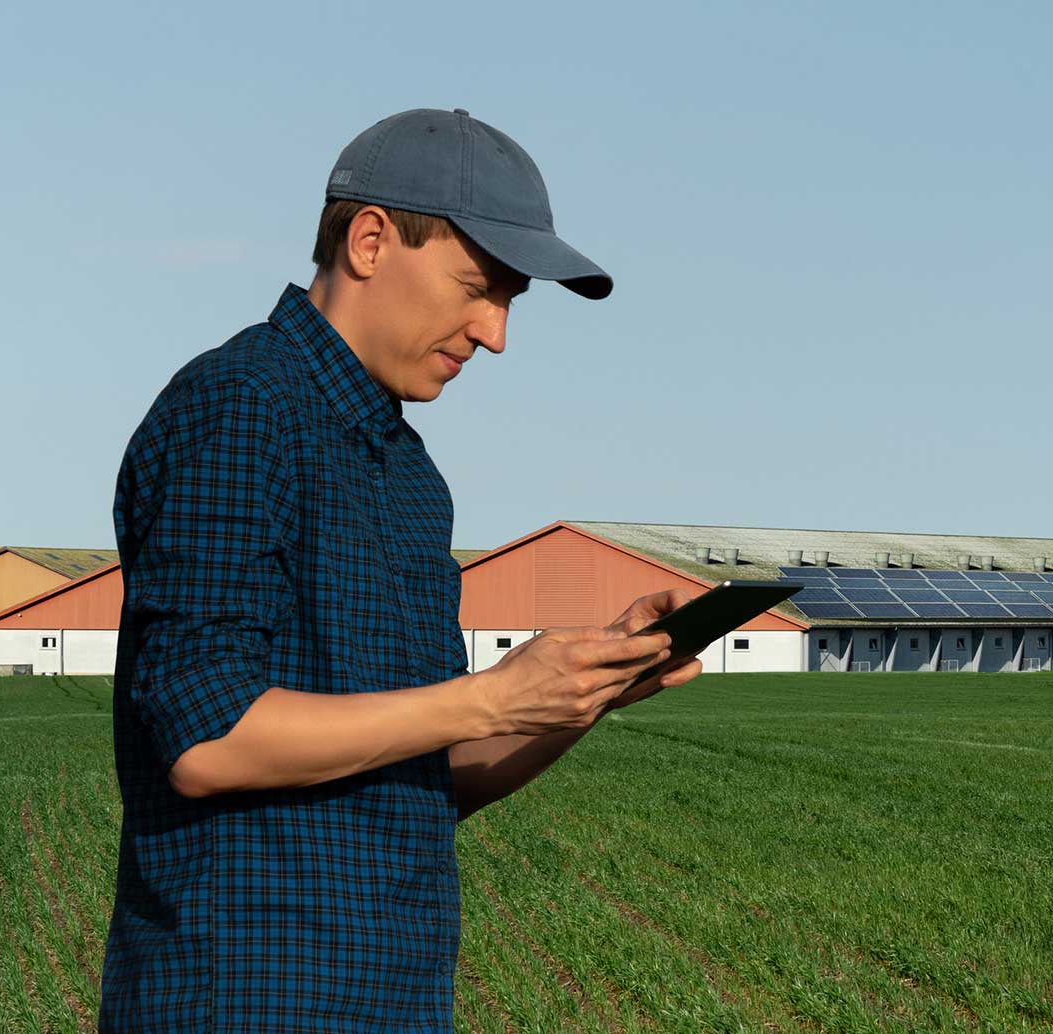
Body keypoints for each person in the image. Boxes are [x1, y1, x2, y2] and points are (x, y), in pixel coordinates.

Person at [99, 108, 702, 1032]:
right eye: (476, 287)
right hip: (245, 1001)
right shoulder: (238, 406)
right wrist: (493, 696)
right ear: (371, 241)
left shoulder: (411, 477)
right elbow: (205, 738)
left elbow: (426, 775)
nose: (494, 333)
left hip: (392, 998)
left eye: (508, 303)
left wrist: (581, 694)